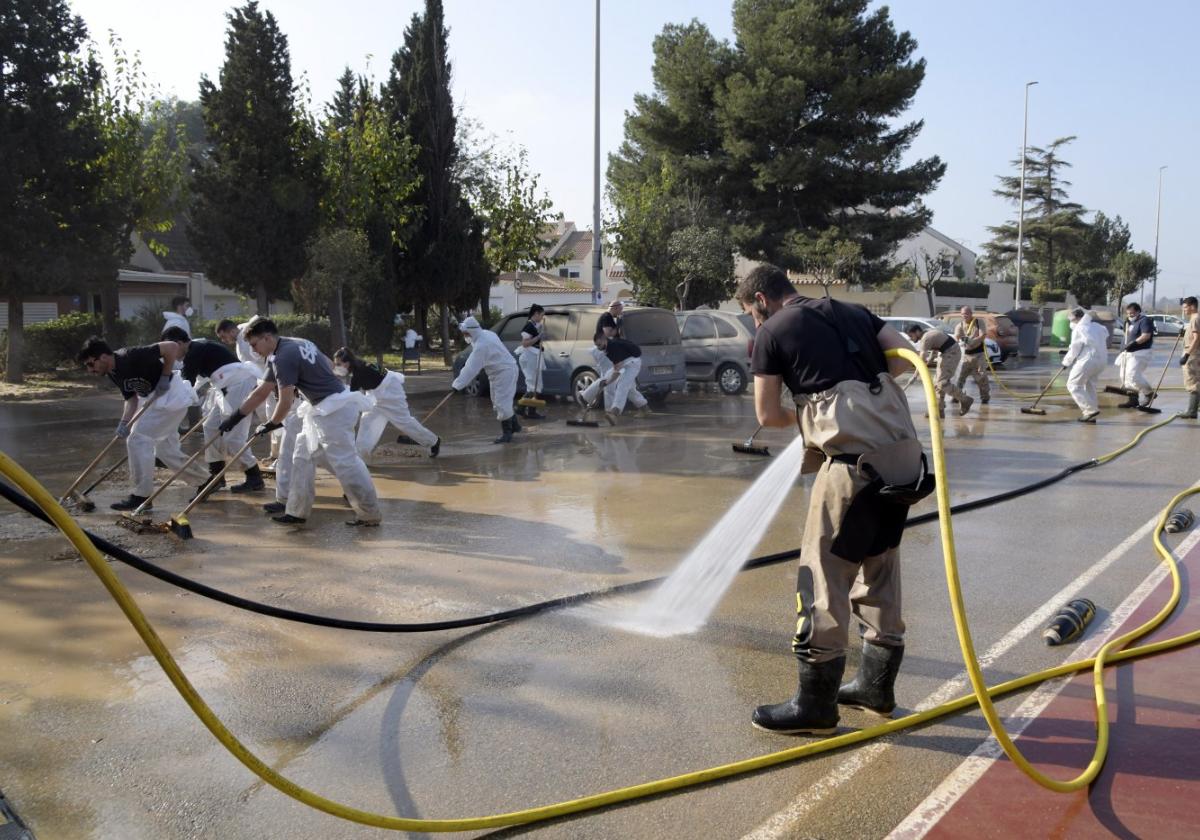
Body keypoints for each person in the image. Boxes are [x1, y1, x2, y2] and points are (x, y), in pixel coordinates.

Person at [738, 265, 927, 735]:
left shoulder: (772, 332)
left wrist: (805, 410)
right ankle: (876, 687)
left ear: (760, 299)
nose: (755, 323)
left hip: (851, 466)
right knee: (878, 565)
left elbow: (768, 414)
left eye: (750, 314)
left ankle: (816, 707)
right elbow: (903, 361)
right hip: (902, 461)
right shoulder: (854, 311)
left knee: (823, 576)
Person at [219, 319, 381, 527]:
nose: (254, 351)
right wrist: (237, 416)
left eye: (254, 345)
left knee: (346, 462)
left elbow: (285, 401)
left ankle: (369, 514)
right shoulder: (296, 343)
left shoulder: (282, 357)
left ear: (267, 338)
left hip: (334, 409)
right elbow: (262, 391)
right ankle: (296, 511)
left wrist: (271, 423)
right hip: (322, 406)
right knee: (301, 457)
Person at [77, 336, 205, 511]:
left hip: (171, 396)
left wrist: (165, 377)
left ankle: (141, 496)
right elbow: (131, 400)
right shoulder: (113, 373)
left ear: (103, 357)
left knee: (137, 440)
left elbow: (171, 347)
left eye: (91, 364)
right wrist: (124, 423)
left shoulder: (130, 356)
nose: (90, 370)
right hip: (155, 401)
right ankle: (205, 481)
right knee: (164, 450)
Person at [162, 326, 265, 495]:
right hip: (224, 387)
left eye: (170, 348)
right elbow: (189, 381)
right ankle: (217, 475)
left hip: (239, 385)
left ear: (179, 343)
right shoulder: (196, 348)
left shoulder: (196, 350)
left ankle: (254, 477)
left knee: (233, 435)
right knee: (210, 426)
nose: (171, 353)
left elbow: (185, 383)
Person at [332, 347, 440, 460]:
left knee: (404, 422)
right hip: (376, 394)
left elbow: (351, 397)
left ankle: (433, 441)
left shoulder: (359, 373)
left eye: (338, 364)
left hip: (390, 393)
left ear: (347, 362)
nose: (337, 367)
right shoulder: (358, 365)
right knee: (367, 421)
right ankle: (361, 456)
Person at [450, 316, 521, 444]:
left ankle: (507, 434)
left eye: (466, 333)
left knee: (501, 402)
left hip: (504, 372)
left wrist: (457, 385)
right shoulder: (487, 334)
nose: (465, 336)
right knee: (498, 401)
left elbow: (471, 368)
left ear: (472, 331)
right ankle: (515, 426)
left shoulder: (482, 345)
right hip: (499, 372)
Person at [904, 325, 972, 417]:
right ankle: (938, 409)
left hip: (951, 353)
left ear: (917, 332)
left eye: (911, 336)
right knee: (936, 383)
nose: (911, 339)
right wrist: (928, 363)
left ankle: (965, 399)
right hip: (946, 352)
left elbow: (921, 359)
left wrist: (915, 376)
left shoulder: (925, 338)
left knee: (942, 383)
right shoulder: (928, 333)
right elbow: (934, 352)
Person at [1061, 308, 1108, 423]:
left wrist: (1066, 362)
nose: (1070, 322)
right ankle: (1092, 414)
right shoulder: (1097, 326)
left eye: (1071, 319)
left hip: (1088, 360)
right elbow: (1106, 334)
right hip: (1102, 360)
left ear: (1077, 318)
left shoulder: (1079, 328)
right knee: (1089, 385)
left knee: (1073, 385)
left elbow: (1074, 349)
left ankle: (1089, 410)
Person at [592, 332, 649, 421]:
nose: (598, 348)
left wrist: (607, 382)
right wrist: (607, 381)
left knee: (622, 385)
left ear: (604, 340)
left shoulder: (613, 347)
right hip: (626, 362)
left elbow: (617, 371)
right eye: (596, 345)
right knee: (629, 388)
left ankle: (615, 412)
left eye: (599, 345)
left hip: (633, 363)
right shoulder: (607, 348)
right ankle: (644, 407)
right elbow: (616, 367)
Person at [579, 301, 625, 410]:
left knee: (609, 378)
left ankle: (587, 396)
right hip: (604, 350)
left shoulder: (608, 317)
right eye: (620, 309)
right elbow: (607, 333)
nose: (621, 312)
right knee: (608, 378)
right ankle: (588, 397)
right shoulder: (606, 317)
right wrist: (619, 324)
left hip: (606, 350)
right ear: (615, 308)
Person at [1116, 302, 1155, 411]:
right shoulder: (1127, 322)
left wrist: (1134, 343)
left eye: (1132, 313)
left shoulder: (1144, 320)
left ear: (1138, 312)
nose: (1130, 316)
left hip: (1140, 352)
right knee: (1124, 377)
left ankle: (1149, 393)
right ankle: (1133, 400)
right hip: (1127, 352)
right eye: (1128, 314)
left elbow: (1146, 335)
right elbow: (1126, 336)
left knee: (1132, 375)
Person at [953, 306, 989, 404]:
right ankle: (956, 396)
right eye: (963, 314)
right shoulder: (959, 325)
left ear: (971, 314)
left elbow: (983, 335)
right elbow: (956, 338)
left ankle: (985, 397)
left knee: (981, 377)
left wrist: (973, 341)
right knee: (960, 377)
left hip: (979, 355)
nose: (965, 315)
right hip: (966, 356)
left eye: (967, 313)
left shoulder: (978, 322)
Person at [516, 304, 547, 419]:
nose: (542, 318)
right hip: (529, 357)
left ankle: (529, 411)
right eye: (541, 315)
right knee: (532, 385)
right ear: (536, 314)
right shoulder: (528, 326)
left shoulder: (534, 325)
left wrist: (540, 333)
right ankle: (521, 408)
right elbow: (525, 343)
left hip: (534, 357)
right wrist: (538, 337)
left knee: (537, 385)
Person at [1180, 296, 1199, 420]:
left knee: (1192, 382)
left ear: (1192, 306)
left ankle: (1192, 411)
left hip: (1192, 354)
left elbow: (1197, 338)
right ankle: (1192, 409)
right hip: (1193, 352)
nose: (1184, 310)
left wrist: (1187, 354)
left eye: (1186, 307)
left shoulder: (1195, 318)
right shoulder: (1194, 318)